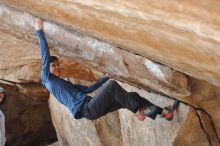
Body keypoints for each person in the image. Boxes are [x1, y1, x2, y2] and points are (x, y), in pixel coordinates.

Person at [35, 18, 179, 122]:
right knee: (112, 87)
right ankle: (138, 112)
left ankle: (164, 113)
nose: (57, 67)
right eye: (53, 65)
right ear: (47, 69)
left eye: (58, 65)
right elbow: (45, 56)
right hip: (88, 109)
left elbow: (88, 89)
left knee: (133, 96)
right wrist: (39, 31)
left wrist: (105, 78)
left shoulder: (65, 84)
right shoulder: (47, 79)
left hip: (93, 106)